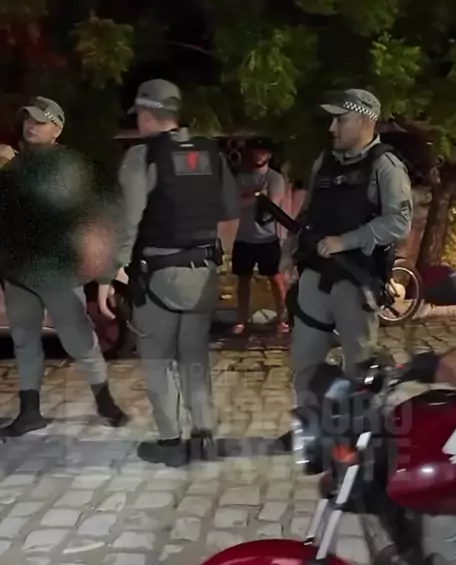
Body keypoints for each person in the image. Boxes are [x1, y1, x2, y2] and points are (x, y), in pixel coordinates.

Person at [98, 79, 240, 467]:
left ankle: (171, 443)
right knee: (194, 358)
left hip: (157, 277)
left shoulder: (141, 157)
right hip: (202, 273)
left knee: (158, 360)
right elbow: (231, 215)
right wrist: (218, 258)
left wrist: (109, 276)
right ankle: (204, 437)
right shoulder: (211, 153)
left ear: (147, 115)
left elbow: (128, 223)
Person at [0, 96, 127, 437]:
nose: (30, 126)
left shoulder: (66, 165)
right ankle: (29, 412)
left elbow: (70, 210)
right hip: (19, 271)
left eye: (39, 121)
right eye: (27, 120)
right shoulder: (14, 165)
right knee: (25, 342)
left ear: (56, 129)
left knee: (79, 340)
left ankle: (105, 401)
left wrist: (106, 269)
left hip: (57, 272)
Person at [283, 89, 413, 406]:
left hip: (356, 282)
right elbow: (307, 213)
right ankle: (309, 423)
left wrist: (345, 241)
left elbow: (399, 222)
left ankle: (362, 427)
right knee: (304, 364)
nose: (332, 128)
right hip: (315, 277)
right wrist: (288, 250)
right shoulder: (324, 162)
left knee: (360, 369)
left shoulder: (385, 166)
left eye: (340, 120)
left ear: (364, 121)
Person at [231, 139, 287, 334]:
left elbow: (272, 203)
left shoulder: (275, 178)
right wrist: (256, 195)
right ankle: (241, 319)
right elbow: (235, 203)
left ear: (269, 155)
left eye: (263, 152)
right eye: (255, 151)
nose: (259, 155)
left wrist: (251, 197)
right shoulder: (240, 178)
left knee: (276, 280)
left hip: (268, 238)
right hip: (243, 238)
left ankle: (282, 318)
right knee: (242, 281)